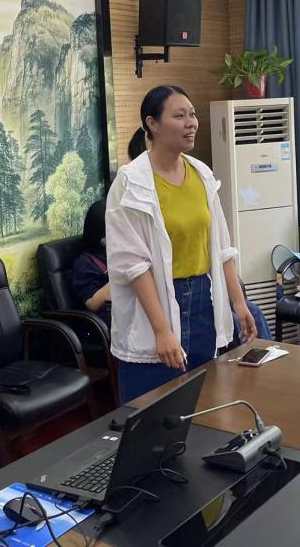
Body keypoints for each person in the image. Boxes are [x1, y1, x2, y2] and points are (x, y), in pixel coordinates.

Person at [107, 85, 258, 404]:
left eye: (192, 114)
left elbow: (222, 248)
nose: (191, 123)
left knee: (206, 403)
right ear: (152, 123)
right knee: (153, 408)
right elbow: (134, 266)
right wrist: (162, 330)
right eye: (179, 116)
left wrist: (239, 303)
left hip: (203, 301)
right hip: (156, 304)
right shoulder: (130, 182)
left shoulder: (201, 174)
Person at [73, 198, 270, 340]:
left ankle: (266, 359)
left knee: (253, 311)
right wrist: (128, 274)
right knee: (231, 322)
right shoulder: (86, 262)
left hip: (175, 296)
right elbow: (92, 302)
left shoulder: (136, 246)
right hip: (135, 312)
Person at [72, 199, 112, 326]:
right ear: (103, 238)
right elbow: (92, 303)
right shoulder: (84, 263)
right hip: (107, 322)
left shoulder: (118, 252)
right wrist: (120, 276)